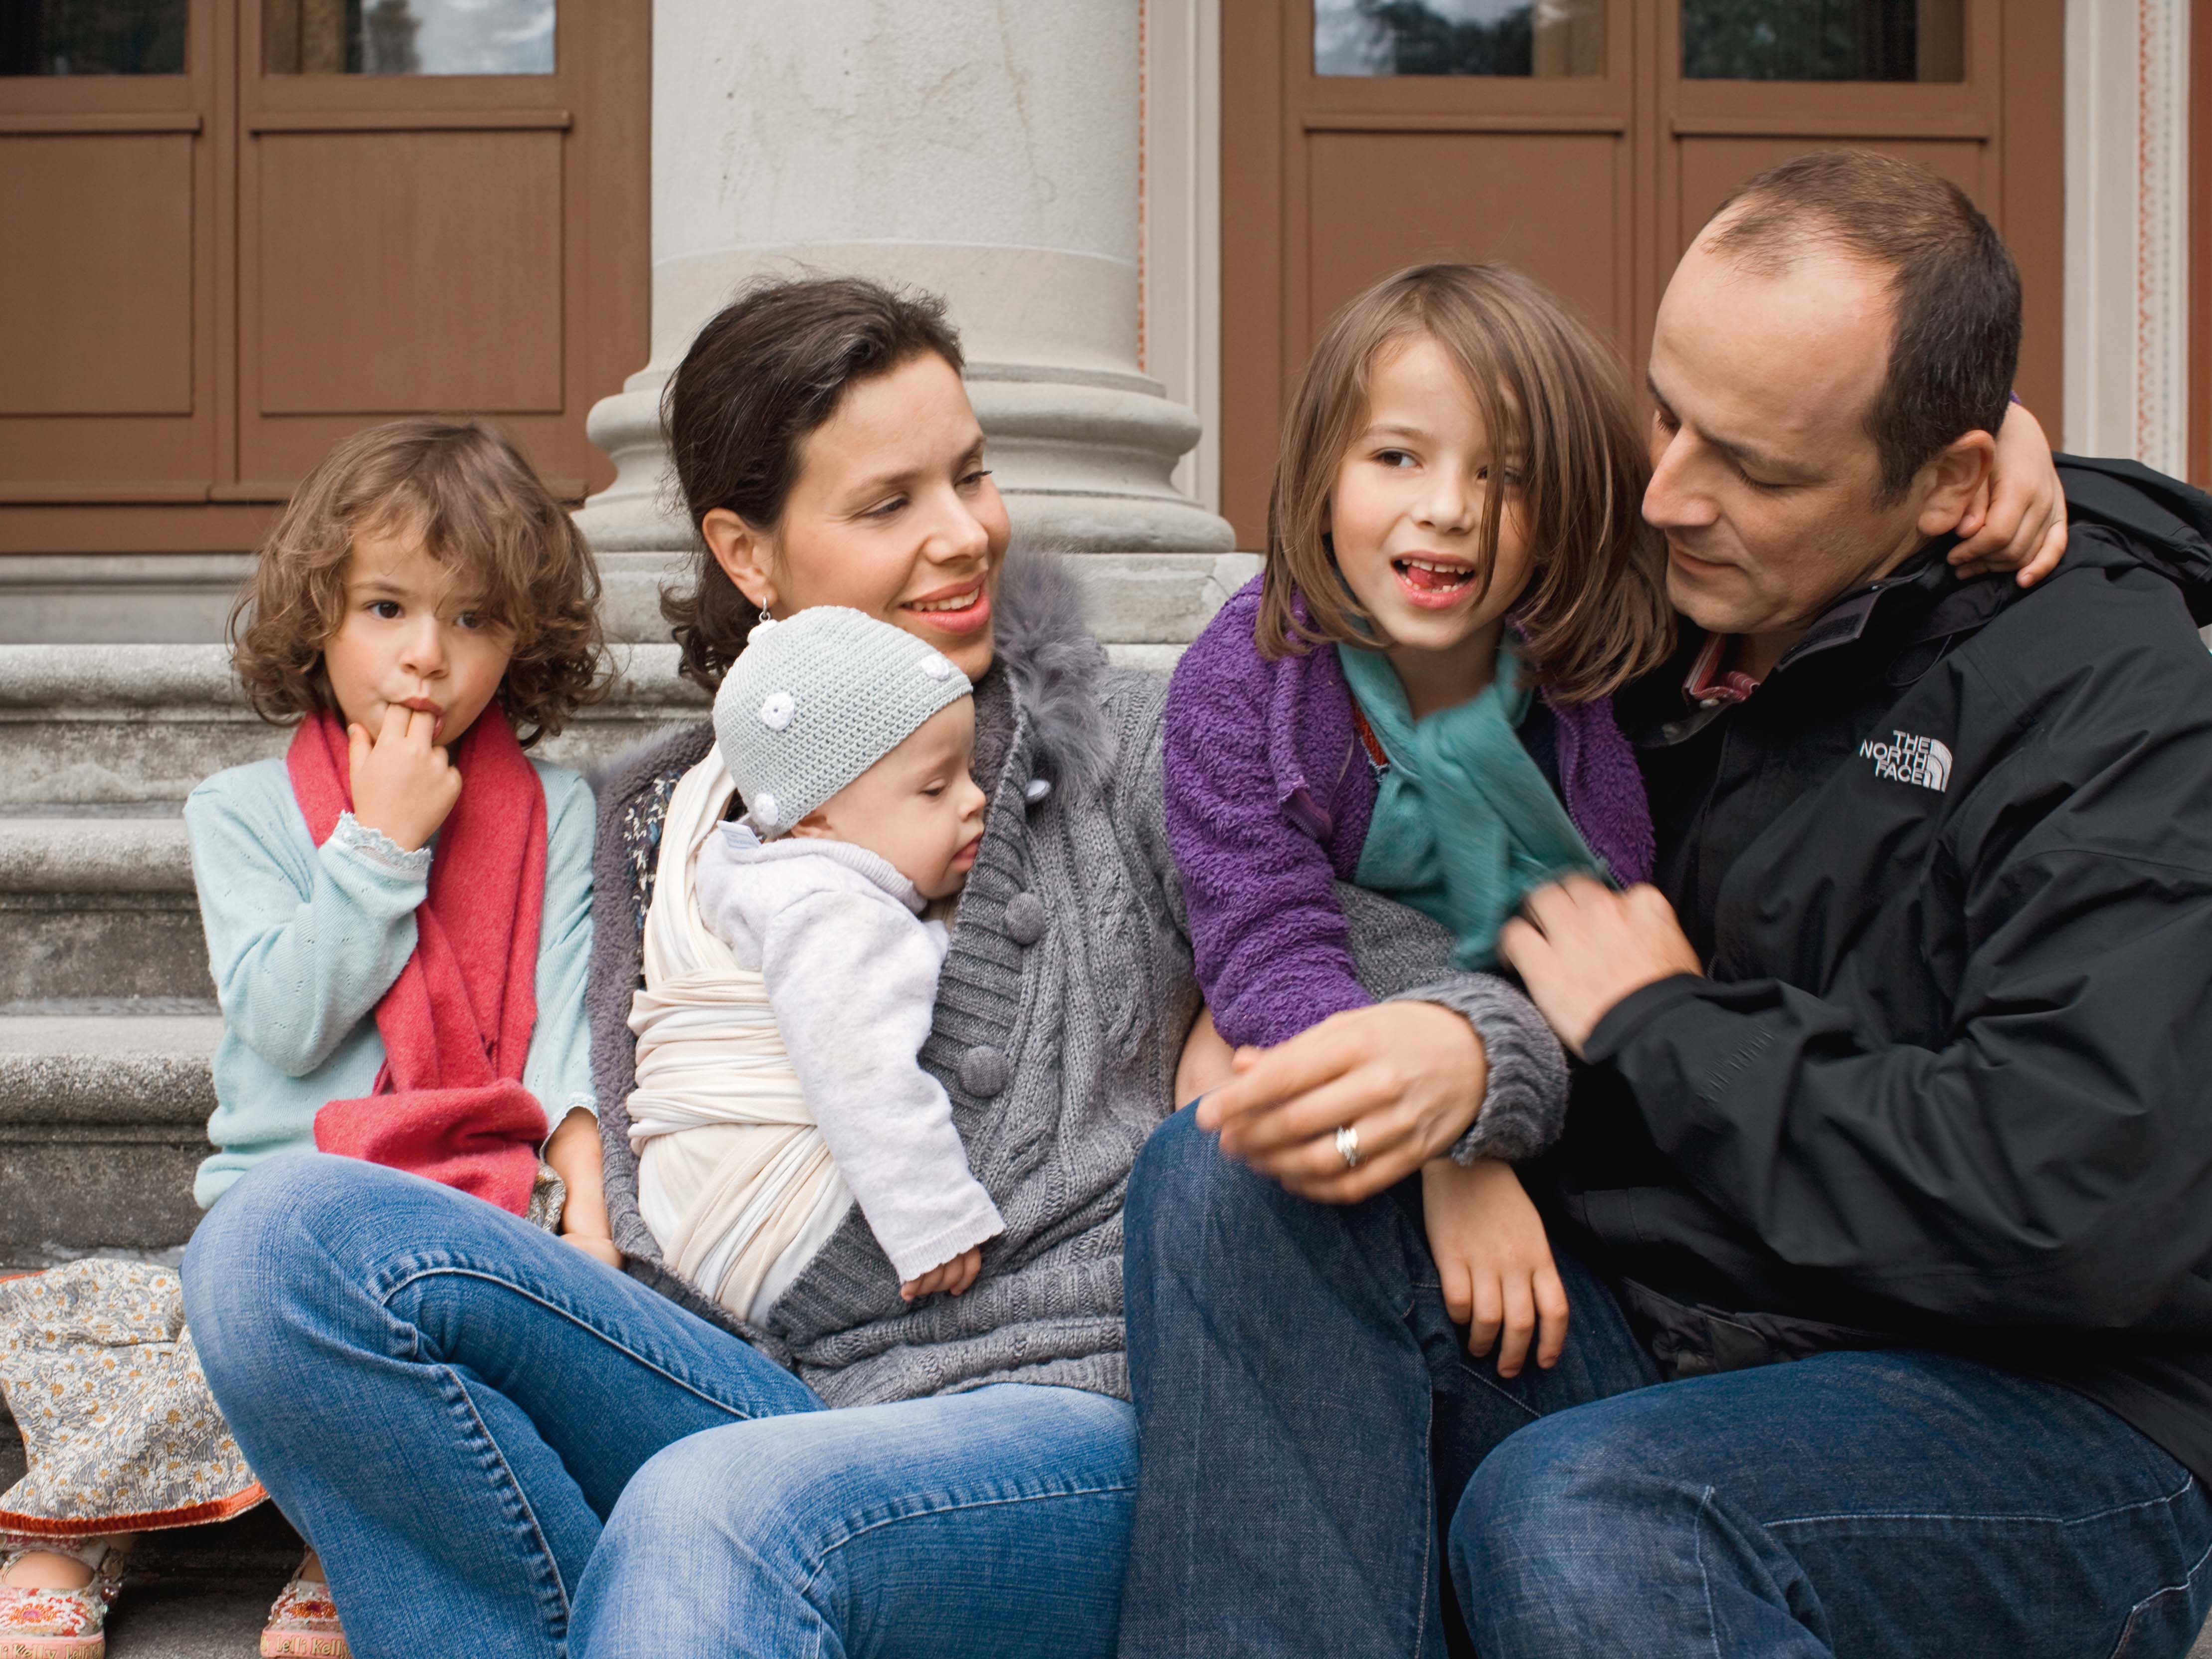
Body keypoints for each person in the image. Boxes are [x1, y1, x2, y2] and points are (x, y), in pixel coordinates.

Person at [177, 275, 1564, 1659]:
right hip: (748, 1393)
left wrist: (1460, 1118)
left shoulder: (1128, 748)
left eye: (969, 475)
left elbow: (1455, 982)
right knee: (277, 1245)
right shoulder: (653, 819)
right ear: (747, 552)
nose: (964, 535)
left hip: (1060, 1424)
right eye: (888, 504)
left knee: (718, 1510)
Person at [1117, 149, 2206, 1659]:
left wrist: (1658, 1027)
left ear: (1950, 482)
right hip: (1645, 1326)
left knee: (1590, 1513)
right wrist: (1398, 1055)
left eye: (1753, 465)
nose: (1664, 492)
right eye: (1666, 412)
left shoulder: (2112, 702)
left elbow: (2073, 1200)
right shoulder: (1641, 611)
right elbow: (1309, 750)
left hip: (2027, 1412)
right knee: (1239, 1176)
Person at [0, 418, 609, 1659]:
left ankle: (350, 1537)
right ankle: (77, 1529)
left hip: (473, 1204)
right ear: (320, 616)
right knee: (190, 1344)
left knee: (479, 1352)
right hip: (285, 1211)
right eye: (386, 607)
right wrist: (380, 845)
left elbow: (564, 1030)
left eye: (475, 619)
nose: (425, 656)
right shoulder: (244, 811)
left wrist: (590, 1218)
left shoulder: (555, 810)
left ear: (523, 643)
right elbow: (283, 1018)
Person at [1166, 262, 1673, 1379]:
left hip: (1545, 1149)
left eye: (1506, 475)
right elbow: (1264, 950)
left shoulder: (1584, 695)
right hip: (1351, 1102)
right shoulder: (1244, 680)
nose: (1446, 505)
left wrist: (1481, 1121)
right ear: (1320, 472)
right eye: (1396, 455)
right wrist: (1447, 1146)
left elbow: (1588, 968)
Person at [632, 603, 1000, 1320]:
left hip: (699, 1216)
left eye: (970, 772)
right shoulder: (832, 911)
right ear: (816, 819)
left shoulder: (745, 869)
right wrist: (934, 1220)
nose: (976, 800)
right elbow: (862, 1073)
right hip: (782, 1228)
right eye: (935, 787)